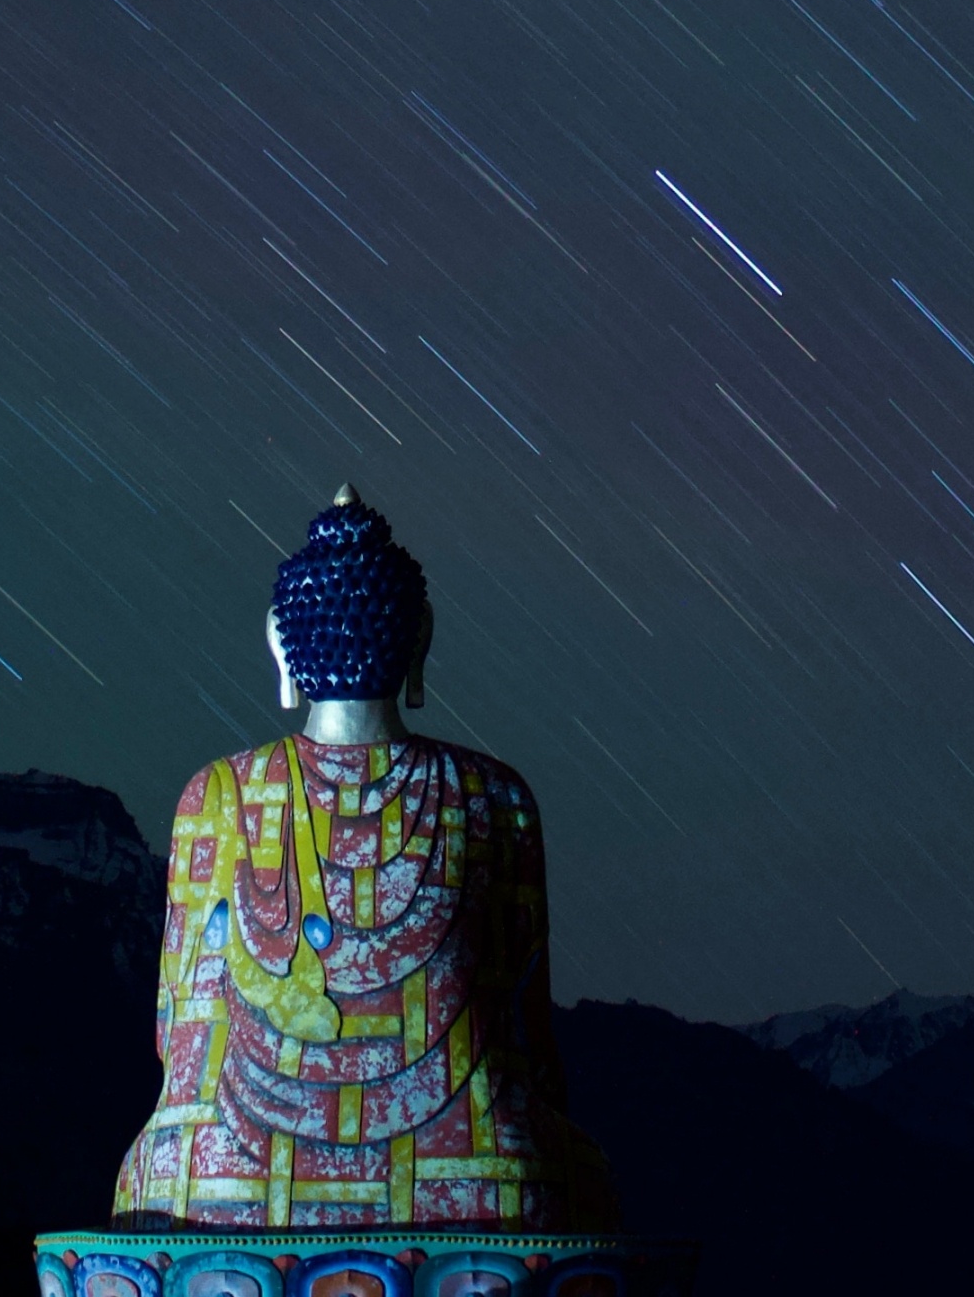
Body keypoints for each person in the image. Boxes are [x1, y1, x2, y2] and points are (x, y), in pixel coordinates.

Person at [112, 485, 619, 1233]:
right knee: (570, 1171)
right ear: (421, 641)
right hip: (478, 1170)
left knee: (153, 1177)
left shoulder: (214, 794)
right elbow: (528, 1042)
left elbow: (176, 1035)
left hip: (226, 1176)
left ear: (280, 646)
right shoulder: (495, 797)